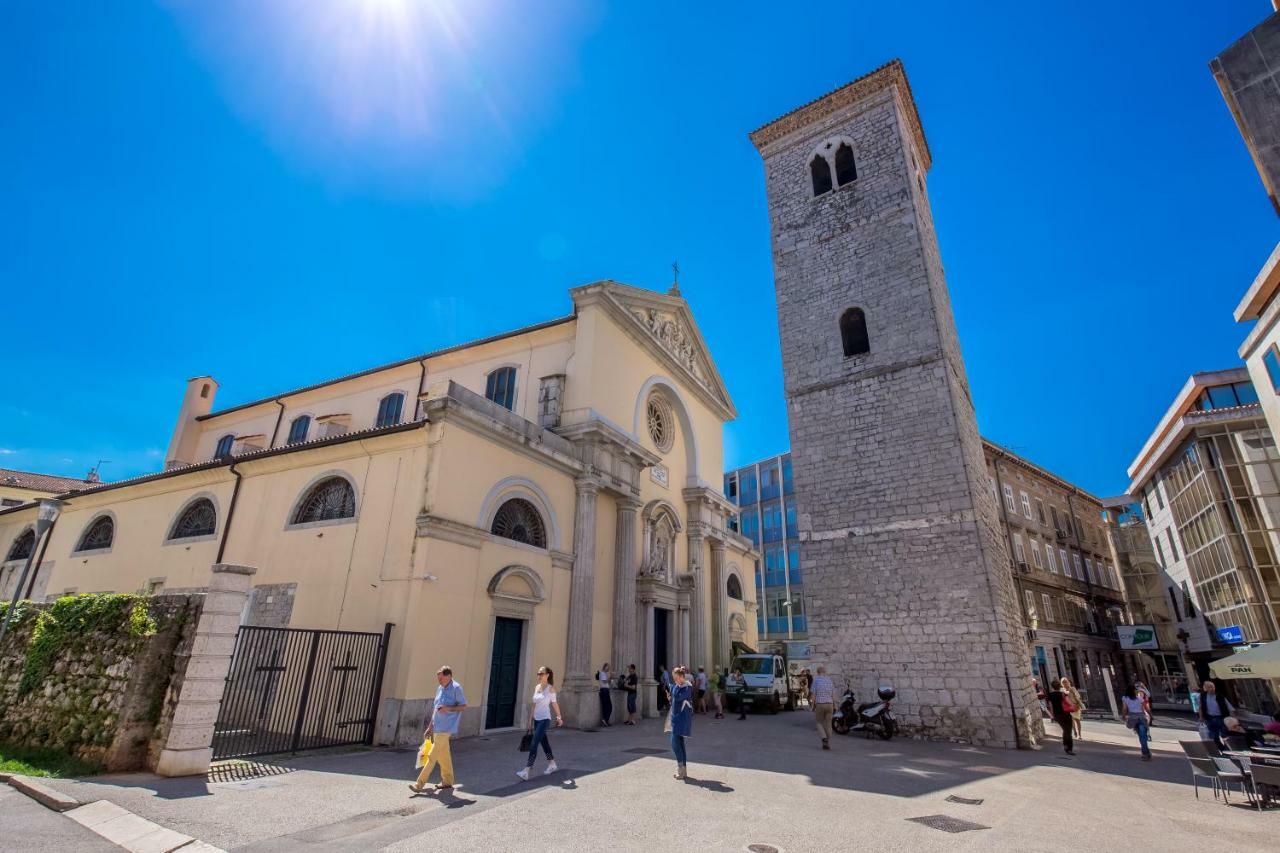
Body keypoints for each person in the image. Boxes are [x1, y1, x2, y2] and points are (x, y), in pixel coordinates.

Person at [410, 666, 467, 794]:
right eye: (438, 678)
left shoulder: (456, 688)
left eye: (441, 678)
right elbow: (436, 709)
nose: (439, 680)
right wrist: (430, 727)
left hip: (447, 727)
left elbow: (463, 706)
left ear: (449, 676)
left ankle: (419, 784)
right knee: (443, 756)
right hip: (437, 727)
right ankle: (447, 781)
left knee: (432, 756)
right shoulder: (440, 689)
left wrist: (448, 708)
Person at [516, 666, 562, 780]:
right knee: (544, 743)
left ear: (547, 675)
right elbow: (534, 705)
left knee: (534, 743)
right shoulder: (537, 687)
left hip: (545, 720)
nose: (539, 675)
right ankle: (552, 764)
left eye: (541, 673)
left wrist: (559, 717)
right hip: (536, 720)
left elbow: (554, 704)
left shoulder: (550, 689)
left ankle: (527, 770)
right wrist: (529, 720)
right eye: (538, 673)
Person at [669, 666, 695, 780]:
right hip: (676, 717)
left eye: (675, 678)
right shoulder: (679, 686)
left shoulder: (687, 687)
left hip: (682, 718)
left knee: (675, 741)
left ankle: (681, 769)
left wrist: (673, 689)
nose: (674, 680)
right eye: (673, 678)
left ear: (681, 677)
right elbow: (674, 699)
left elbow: (678, 697)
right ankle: (683, 770)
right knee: (679, 742)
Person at [1198, 680, 1234, 748]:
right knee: (1214, 737)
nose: (1212, 689)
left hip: (1221, 718)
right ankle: (1222, 749)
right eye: (1209, 687)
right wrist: (1201, 717)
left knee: (1225, 736)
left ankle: (1228, 749)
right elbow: (1200, 707)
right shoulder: (1202, 696)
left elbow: (1230, 708)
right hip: (1210, 718)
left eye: (1212, 687)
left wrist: (1232, 719)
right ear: (1205, 688)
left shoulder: (1220, 696)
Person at [1121, 683, 1152, 761]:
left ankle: (1146, 753)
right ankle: (1145, 753)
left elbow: (1124, 709)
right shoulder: (1139, 699)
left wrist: (1124, 716)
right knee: (1143, 736)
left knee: (1140, 735)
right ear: (1133, 691)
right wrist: (1150, 715)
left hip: (1133, 718)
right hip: (1141, 717)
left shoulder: (1125, 698)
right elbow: (1144, 709)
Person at [1046, 679, 1075, 755]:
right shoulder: (1063, 694)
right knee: (1068, 731)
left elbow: (1050, 706)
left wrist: (1052, 715)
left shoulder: (1050, 695)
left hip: (1057, 715)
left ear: (1052, 687)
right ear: (1059, 686)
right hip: (1066, 713)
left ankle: (1066, 745)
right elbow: (1068, 702)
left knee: (1065, 729)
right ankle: (1069, 748)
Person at [811, 665, 836, 750]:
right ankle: (827, 744)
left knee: (819, 722)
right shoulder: (829, 680)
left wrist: (812, 705)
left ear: (818, 672)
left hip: (820, 704)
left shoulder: (816, 680)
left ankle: (824, 738)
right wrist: (835, 705)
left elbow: (813, 694)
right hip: (830, 704)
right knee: (828, 725)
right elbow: (833, 694)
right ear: (824, 672)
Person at [1061, 676, 1085, 741]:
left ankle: (1079, 735)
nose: (1065, 683)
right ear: (1062, 684)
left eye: (1066, 682)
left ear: (1068, 682)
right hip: (1068, 708)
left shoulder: (1072, 688)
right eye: (1063, 682)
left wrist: (1078, 704)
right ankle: (1075, 731)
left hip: (1075, 706)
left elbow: (1078, 696)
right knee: (1071, 722)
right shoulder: (1062, 690)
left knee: (1077, 720)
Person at [596, 663, 613, 727]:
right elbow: (605, 681)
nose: (608, 668)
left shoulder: (605, 674)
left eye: (609, 667)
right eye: (607, 667)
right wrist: (610, 677)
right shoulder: (602, 673)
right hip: (604, 691)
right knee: (608, 706)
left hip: (606, 690)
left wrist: (610, 678)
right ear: (604, 667)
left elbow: (608, 682)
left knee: (608, 706)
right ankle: (605, 720)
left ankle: (605, 720)